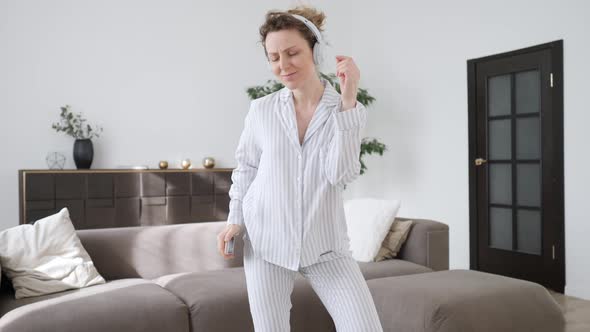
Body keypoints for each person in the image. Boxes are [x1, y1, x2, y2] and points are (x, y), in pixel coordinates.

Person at [216, 5, 383, 332]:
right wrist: (235, 219)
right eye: (274, 57)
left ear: (315, 51)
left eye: (292, 53)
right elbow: (247, 167)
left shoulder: (347, 110)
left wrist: (348, 100)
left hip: (327, 247)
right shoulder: (261, 110)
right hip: (266, 242)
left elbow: (341, 174)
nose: (283, 65)